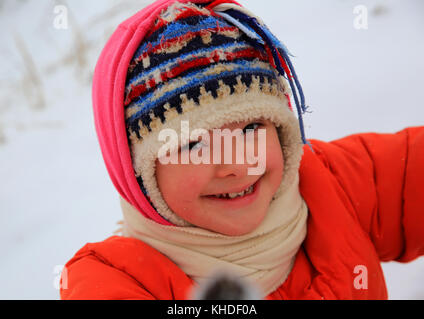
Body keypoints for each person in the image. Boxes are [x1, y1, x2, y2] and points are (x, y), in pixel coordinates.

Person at [60, 0, 424, 300]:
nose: (237, 165)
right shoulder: (114, 280)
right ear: (138, 173)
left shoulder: (327, 182)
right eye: (194, 143)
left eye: (251, 127)